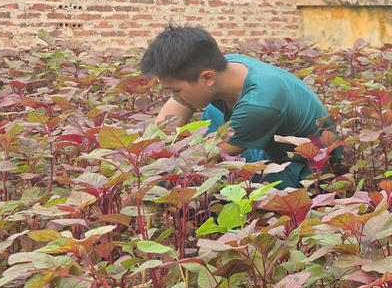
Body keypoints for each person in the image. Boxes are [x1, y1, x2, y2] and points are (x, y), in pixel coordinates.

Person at [139, 26, 341, 189]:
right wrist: (156, 149)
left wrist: (151, 177)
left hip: (307, 169)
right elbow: (168, 121)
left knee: (214, 184)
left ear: (207, 77)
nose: (174, 98)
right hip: (267, 145)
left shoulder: (260, 102)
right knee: (213, 112)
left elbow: (200, 159)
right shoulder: (228, 67)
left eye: (175, 90)